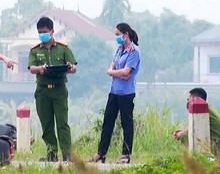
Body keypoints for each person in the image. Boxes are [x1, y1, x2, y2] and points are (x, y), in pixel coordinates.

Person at [28, 17, 78, 162]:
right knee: (47, 124)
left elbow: (74, 68)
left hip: (59, 91)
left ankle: (67, 154)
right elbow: (31, 68)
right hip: (43, 91)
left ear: (52, 31)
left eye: (45, 31)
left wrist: (70, 67)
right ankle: (52, 154)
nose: (42, 34)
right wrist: (40, 69)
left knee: (62, 123)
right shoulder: (35, 50)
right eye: (40, 32)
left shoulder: (63, 48)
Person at [90, 22, 141, 164]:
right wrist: (115, 73)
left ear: (126, 35)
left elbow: (126, 72)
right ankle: (101, 152)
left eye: (118, 35)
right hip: (114, 91)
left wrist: (114, 72)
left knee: (127, 123)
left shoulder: (134, 51)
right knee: (108, 122)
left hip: (126, 92)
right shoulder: (119, 50)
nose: (116, 37)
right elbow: (113, 67)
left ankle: (126, 154)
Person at [172, 88, 220, 155]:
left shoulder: (199, 107)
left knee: (185, 136)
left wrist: (181, 134)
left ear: (195, 99)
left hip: (219, 145)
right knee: (186, 134)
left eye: (188, 100)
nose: (188, 102)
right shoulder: (208, 109)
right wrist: (183, 131)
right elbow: (196, 126)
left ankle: (195, 160)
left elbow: (194, 129)